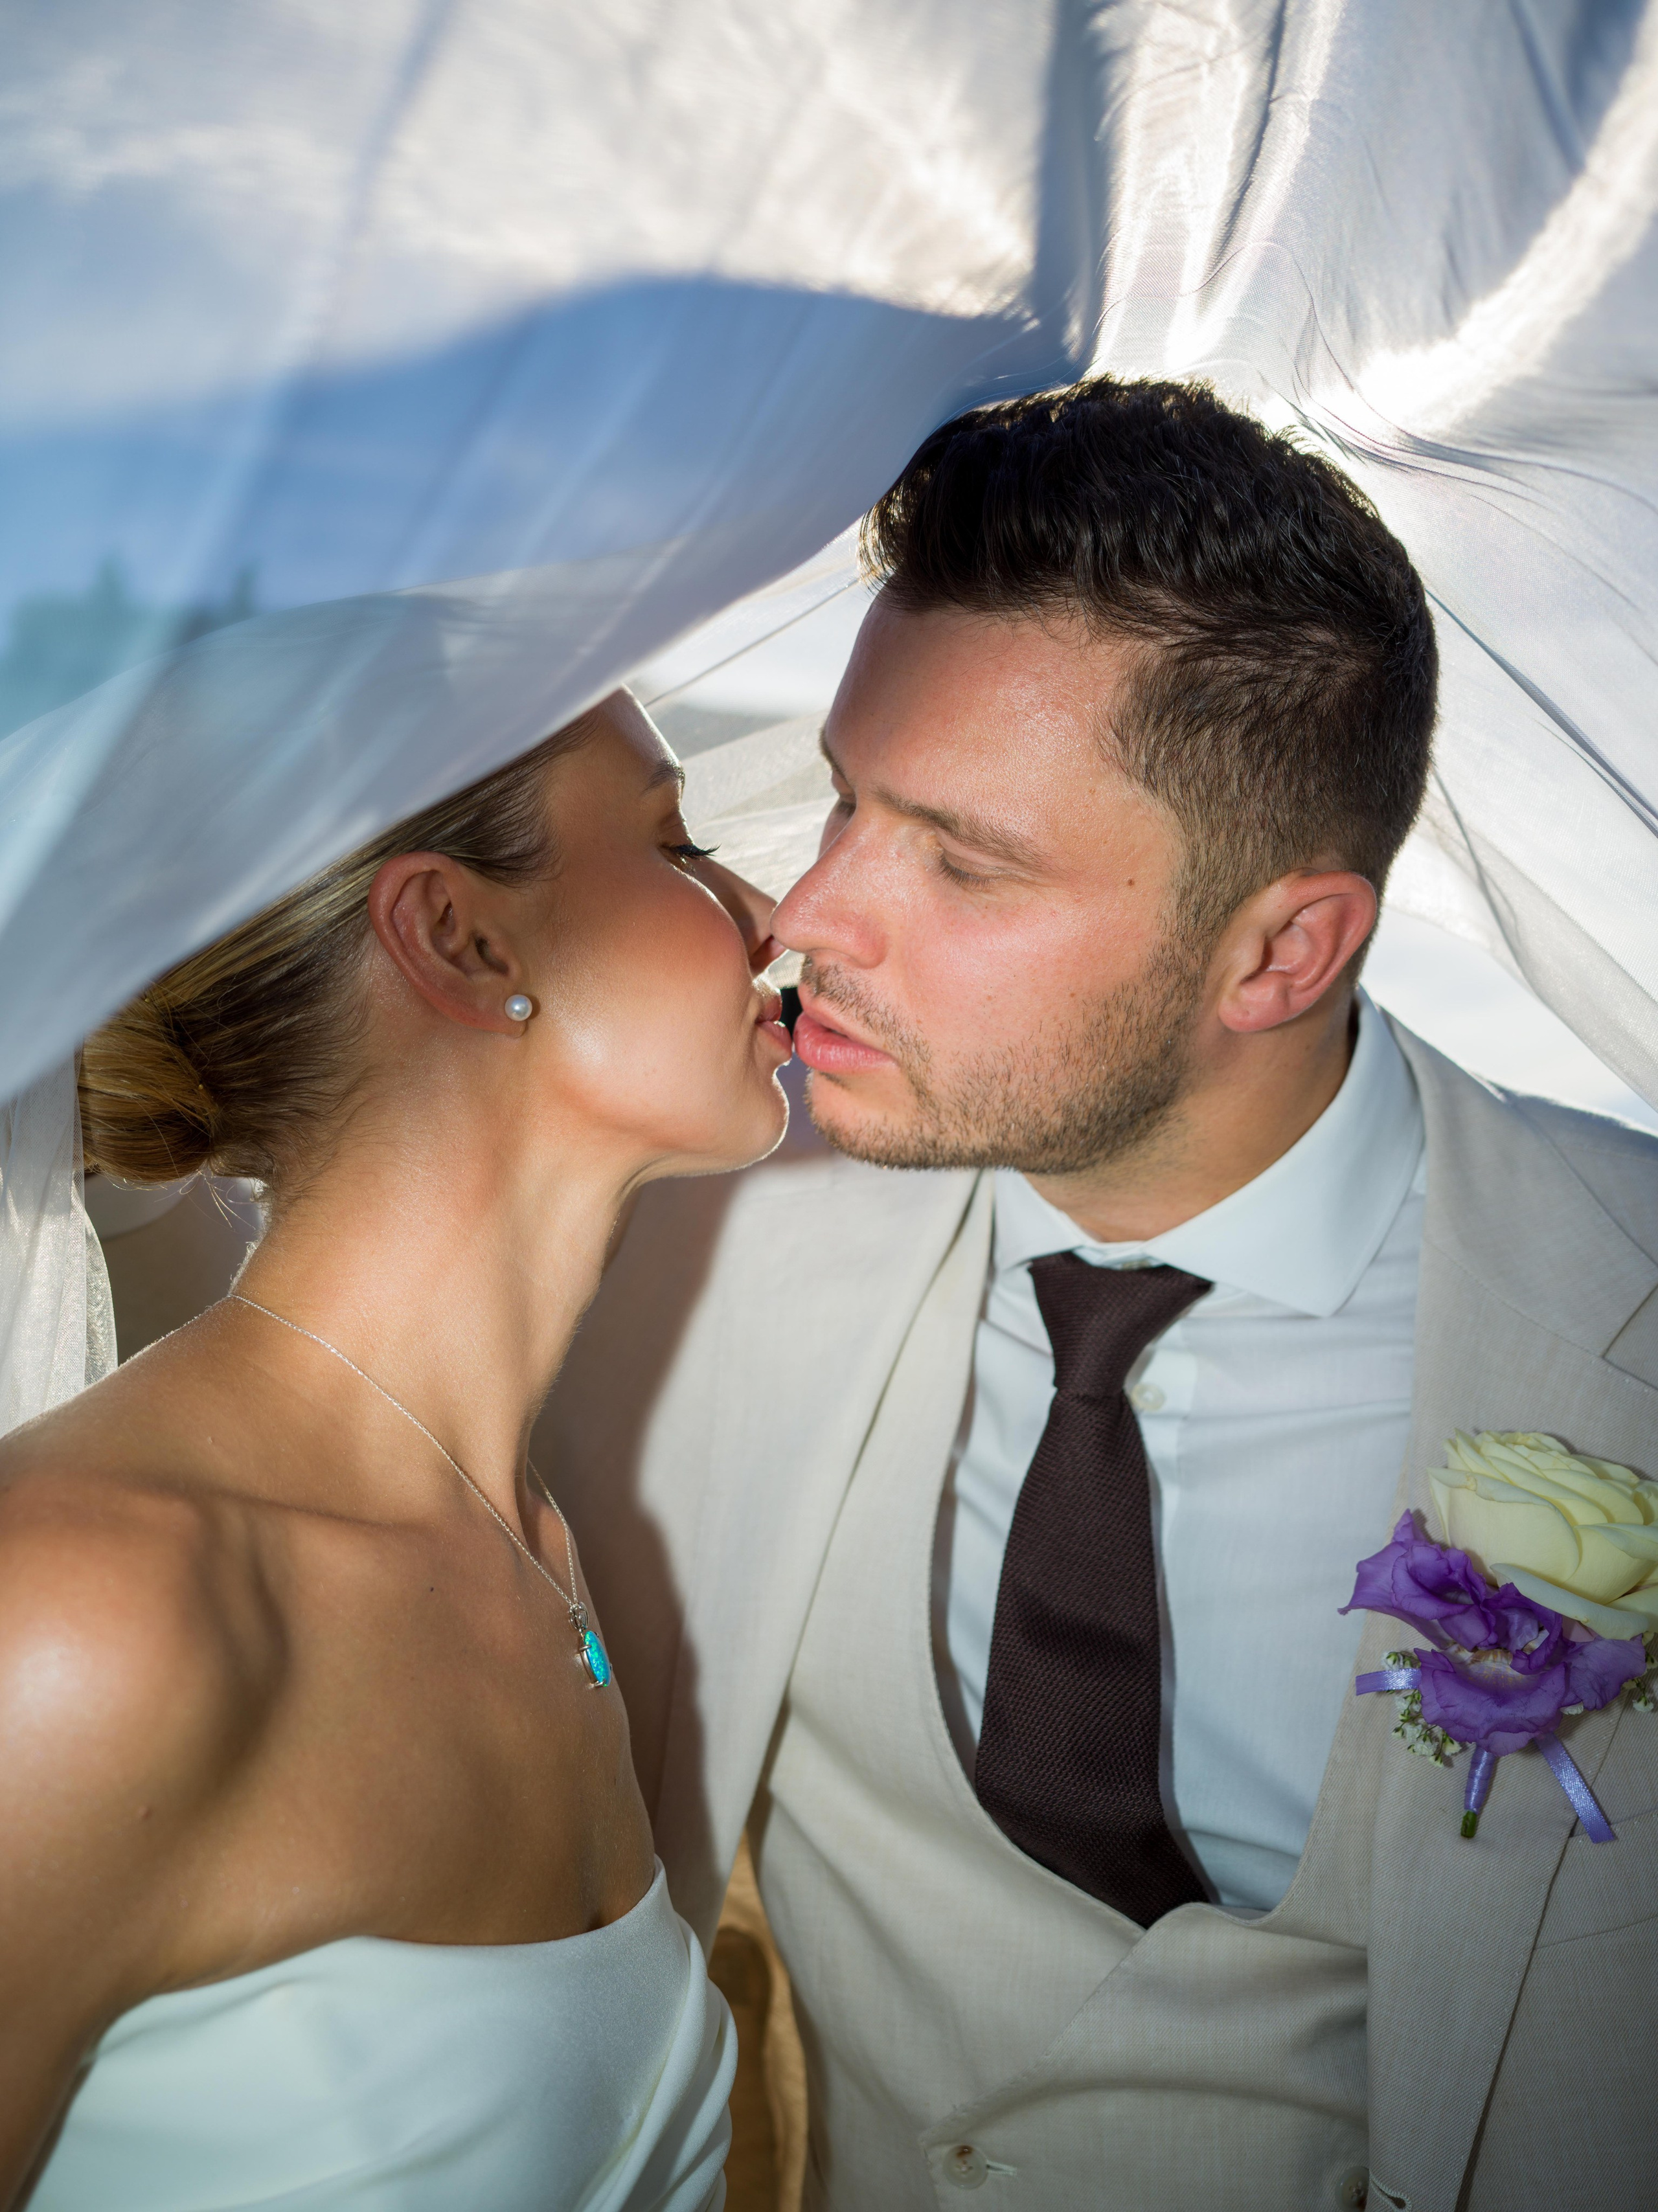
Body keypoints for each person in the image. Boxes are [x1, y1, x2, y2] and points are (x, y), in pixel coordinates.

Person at [541, 379, 1658, 2212]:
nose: (810, 913)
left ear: (1283, 949)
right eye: (841, 801)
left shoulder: (1625, 1310)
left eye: (964, 861)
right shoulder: (681, 1232)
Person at [0, 690, 795, 2210]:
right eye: (673, 842)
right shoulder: (91, 1607)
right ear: (457, 937)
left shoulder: (534, 1550)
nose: (763, 912)